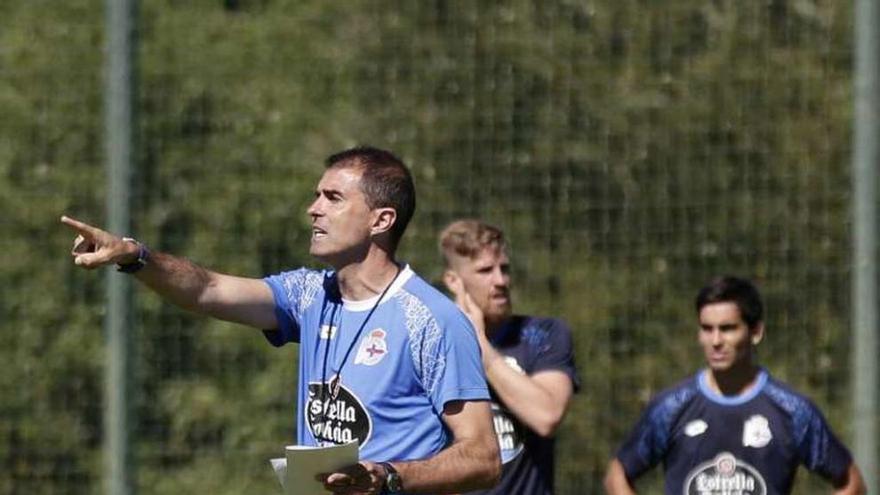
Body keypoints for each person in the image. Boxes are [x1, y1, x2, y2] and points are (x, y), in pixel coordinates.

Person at [61, 146, 501, 495]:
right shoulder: (309, 294)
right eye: (316, 195)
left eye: (333, 198)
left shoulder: (432, 320)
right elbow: (207, 290)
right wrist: (136, 256)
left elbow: (482, 458)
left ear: (381, 220)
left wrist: (386, 476)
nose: (314, 209)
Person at [603, 276, 866, 495]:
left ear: (755, 332)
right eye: (707, 329)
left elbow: (851, 483)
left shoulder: (792, 411)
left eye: (727, 328)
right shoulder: (671, 407)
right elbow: (617, 474)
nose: (716, 341)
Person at [438, 219, 578, 495]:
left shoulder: (544, 334)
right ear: (453, 281)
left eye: (504, 268)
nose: (500, 281)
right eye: (485, 271)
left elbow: (546, 415)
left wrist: (479, 345)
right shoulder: (433, 345)